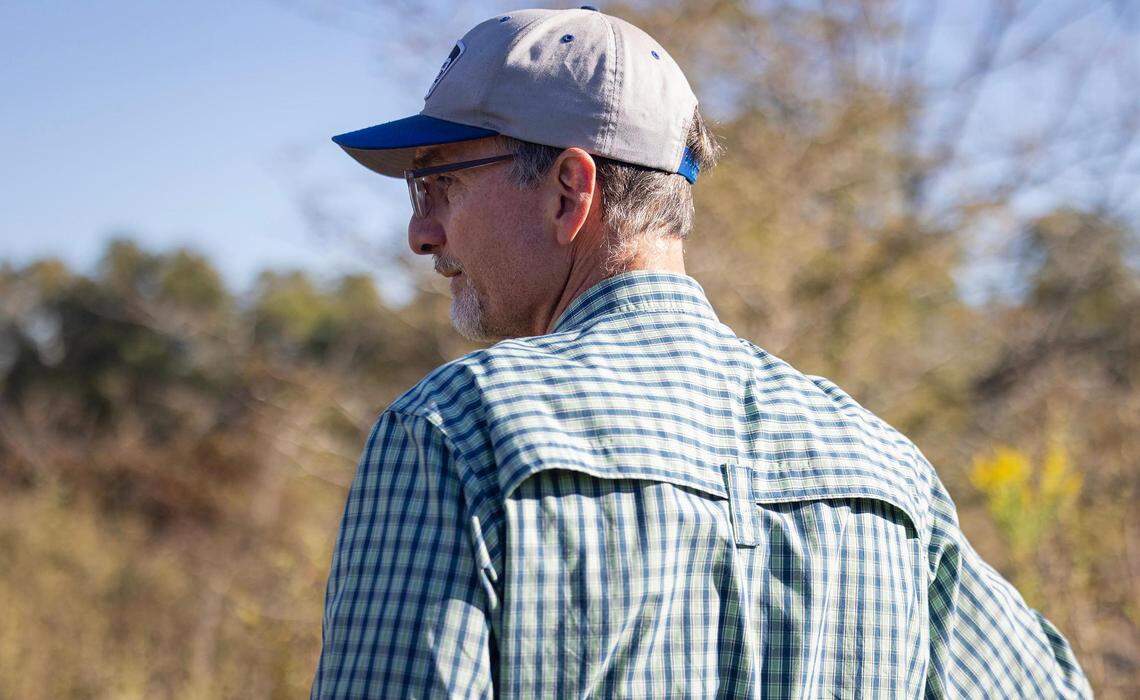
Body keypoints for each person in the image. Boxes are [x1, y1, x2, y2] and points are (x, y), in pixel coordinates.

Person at [310, 7, 1092, 698]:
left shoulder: (455, 430)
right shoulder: (885, 469)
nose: (420, 233)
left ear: (568, 192)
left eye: (437, 184)